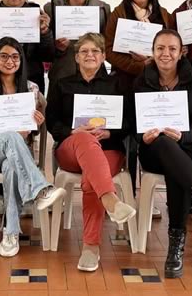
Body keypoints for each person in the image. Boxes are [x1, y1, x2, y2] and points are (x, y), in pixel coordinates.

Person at [133, 29, 192, 278]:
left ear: (181, 52)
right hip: (156, 149)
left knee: (176, 169)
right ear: (152, 53)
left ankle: (175, 246)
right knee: (165, 146)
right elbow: (133, 125)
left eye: (172, 48)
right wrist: (143, 136)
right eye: (160, 48)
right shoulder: (142, 80)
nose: (166, 54)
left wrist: (184, 136)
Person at [0, 37, 66, 257]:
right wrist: (9, 133)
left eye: (15, 56)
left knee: (11, 166)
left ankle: (10, 233)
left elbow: (32, 127)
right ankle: (40, 189)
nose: (10, 61)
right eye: (4, 56)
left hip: (16, 153)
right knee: (11, 137)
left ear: (21, 60)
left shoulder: (31, 88)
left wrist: (35, 124)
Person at [47, 33, 136, 272]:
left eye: (95, 51)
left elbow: (129, 122)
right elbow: (51, 122)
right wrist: (72, 131)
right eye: (84, 51)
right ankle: (110, 199)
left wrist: (110, 134)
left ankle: (90, 248)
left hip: (109, 148)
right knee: (84, 138)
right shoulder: (62, 84)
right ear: (76, 57)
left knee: (91, 179)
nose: (90, 55)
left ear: (103, 56)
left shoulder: (117, 85)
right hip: (70, 150)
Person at [105, 0, 174, 93]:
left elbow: (174, 47)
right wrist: (140, 66)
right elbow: (108, 50)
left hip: (158, 82)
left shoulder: (165, 15)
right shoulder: (118, 14)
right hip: (125, 82)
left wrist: (155, 61)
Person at [44, 0, 112, 85]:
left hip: (95, 77)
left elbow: (107, 46)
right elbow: (44, 50)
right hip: (61, 77)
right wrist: (58, 48)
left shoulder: (104, 9)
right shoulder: (50, 9)